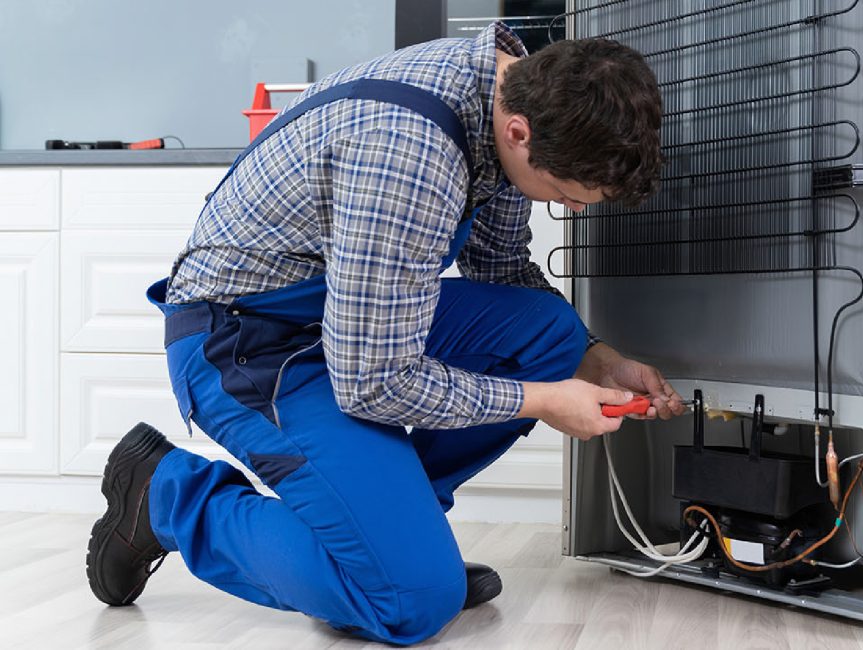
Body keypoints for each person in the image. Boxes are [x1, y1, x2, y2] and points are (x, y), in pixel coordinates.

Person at [84, 22, 684, 645]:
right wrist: (546, 401)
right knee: (411, 602)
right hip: (247, 341)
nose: (575, 211)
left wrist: (595, 360)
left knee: (549, 339)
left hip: (345, 326)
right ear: (519, 135)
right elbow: (373, 383)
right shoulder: (411, 156)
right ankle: (167, 498)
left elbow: (502, 271)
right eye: (566, 196)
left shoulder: (510, 90)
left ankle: (385, 537)